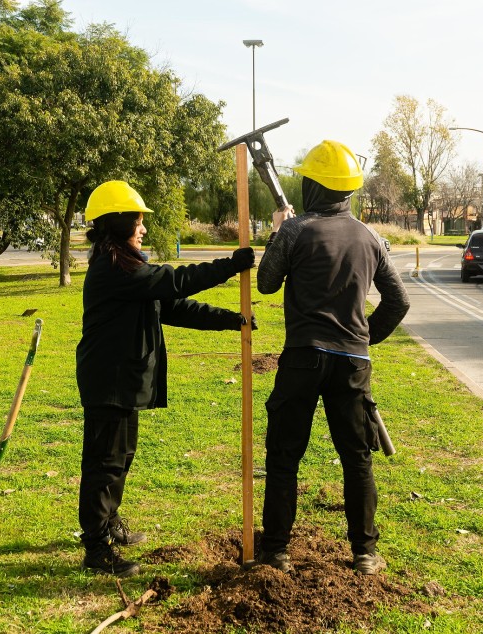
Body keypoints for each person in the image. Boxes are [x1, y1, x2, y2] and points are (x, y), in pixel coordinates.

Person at [76, 180, 255, 577]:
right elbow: (176, 280)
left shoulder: (128, 265)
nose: (143, 228)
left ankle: (109, 523)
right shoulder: (113, 269)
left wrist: (232, 320)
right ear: (119, 223)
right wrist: (230, 265)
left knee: (121, 457)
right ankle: (96, 548)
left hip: (122, 380)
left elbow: (174, 306)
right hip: (109, 380)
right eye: (138, 221)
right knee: (105, 464)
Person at [255, 140, 410, 575]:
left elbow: (266, 283)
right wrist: (363, 339)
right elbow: (398, 301)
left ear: (313, 186)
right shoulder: (370, 237)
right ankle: (365, 554)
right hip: (352, 364)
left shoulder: (295, 230)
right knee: (357, 458)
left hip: (302, 359)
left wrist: (278, 232)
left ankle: (276, 552)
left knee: (284, 457)